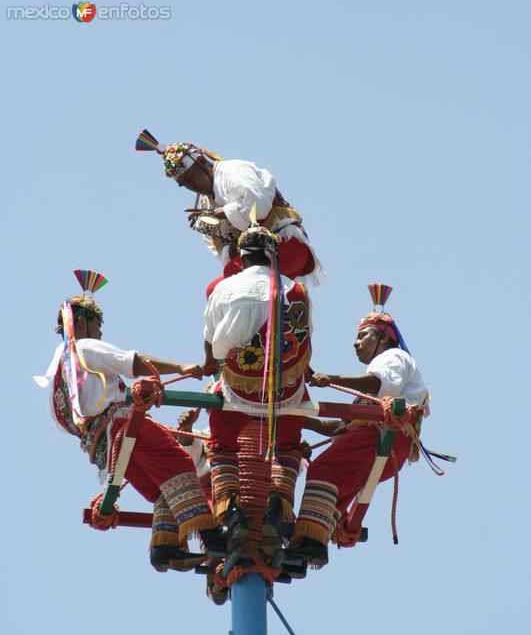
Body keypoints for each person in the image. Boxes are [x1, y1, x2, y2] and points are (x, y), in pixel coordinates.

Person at [35, 273, 223, 572]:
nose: (98, 333)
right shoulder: (83, 348)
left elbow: (64, 423)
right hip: (125, 429)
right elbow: (132, 362)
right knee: (181, 465)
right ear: (81, 323)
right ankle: (214, 540)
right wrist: (184, 367)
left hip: (105, 450)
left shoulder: (58, 373)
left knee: (165, 489)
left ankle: (165, 549)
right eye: (97, 325)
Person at [289, 285, 429, 568]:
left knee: (323, 471)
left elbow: (378, 383)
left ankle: (310, 542)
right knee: (335, 492)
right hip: (381, 446)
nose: (356, 343)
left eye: (363, 335)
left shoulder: (394, 358)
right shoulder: (373, 390)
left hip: (383, 437)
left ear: (384, 337)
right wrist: (296, 418)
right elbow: (338, 428)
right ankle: (310, 545)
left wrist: (332, 378)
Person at [203, 226, 312, 555]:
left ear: (242, 256)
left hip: (239, 388)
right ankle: (277, 511)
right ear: (273, 255)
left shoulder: (224, 288)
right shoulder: (297, 290)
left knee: (221, 442)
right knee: (289, 443)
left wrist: (210, 364)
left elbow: (211, 340)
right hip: (285, 390)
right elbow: (305, 343)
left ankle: (232, 513)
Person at [135, 130, 324, 294]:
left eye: (190, 177)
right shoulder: (204, 204)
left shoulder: (233, 171)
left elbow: (260, 206)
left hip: (284, 246)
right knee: (215, 291)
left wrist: (224, 212)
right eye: (184, 184)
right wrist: (213, 229)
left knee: (230, 286)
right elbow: (222, 253)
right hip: (255, 261)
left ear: (201, 161)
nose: (190, 185)